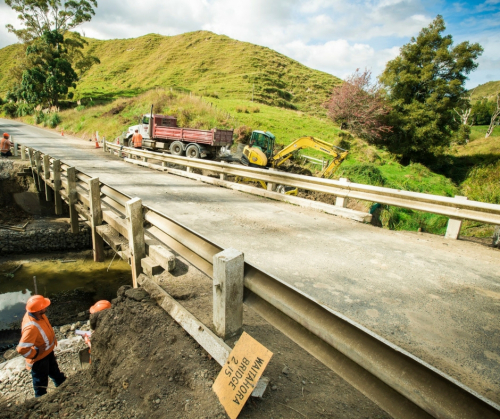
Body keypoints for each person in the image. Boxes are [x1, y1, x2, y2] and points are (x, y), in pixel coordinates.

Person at [16, 295, 66, 397]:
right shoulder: (31, 327)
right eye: (44, 306)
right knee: (41, 382)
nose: (46, 307)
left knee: (55, 371)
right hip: (39, 360)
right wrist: (36, 352)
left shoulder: (39, 315)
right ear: (38, 310)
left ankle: (63, 385)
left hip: (48, 353)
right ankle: (41, 399)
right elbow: (21, 349)